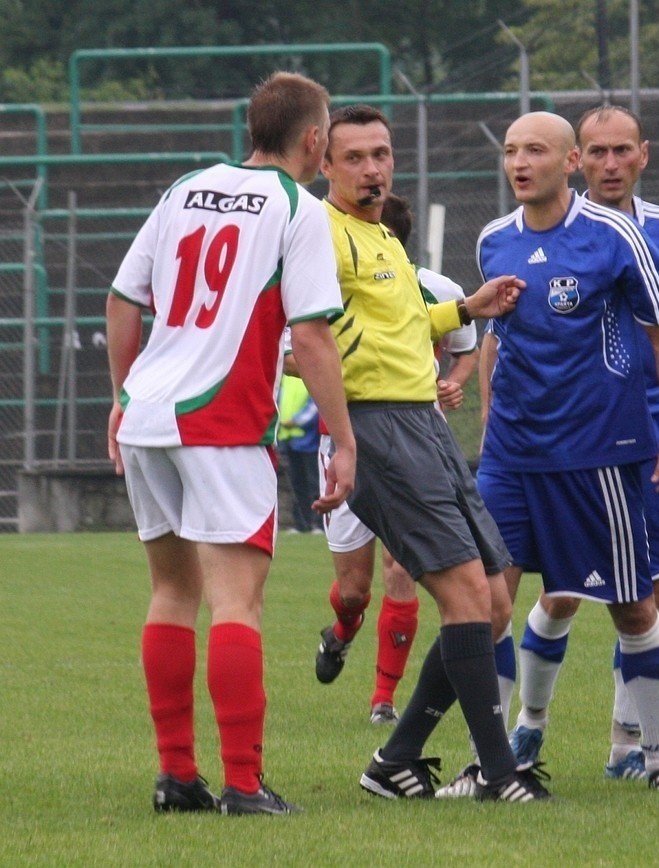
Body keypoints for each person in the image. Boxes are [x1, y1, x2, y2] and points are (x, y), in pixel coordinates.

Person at [105, 71, 356, 816]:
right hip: (220, 423)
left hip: (149, 413)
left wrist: (123, 399)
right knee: (236, 602)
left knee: (171, 593)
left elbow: (122, 301)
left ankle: (177, 776)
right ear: (315, 140)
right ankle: (244, 784)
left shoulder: (185, 187)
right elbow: (310, 336)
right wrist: (342, 440)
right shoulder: (298, 209)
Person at [319, 103, 549, 802]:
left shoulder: (380, 237)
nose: (372, 169)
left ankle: (395, 760)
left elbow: (408, 322)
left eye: (380, 154)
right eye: (354, 158)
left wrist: (469, 308)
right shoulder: (318, 239)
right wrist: (346, 432)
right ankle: (500, 775)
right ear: (323, 164)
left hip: (423, 422)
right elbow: (297, 345)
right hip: (381, 428)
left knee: (495, 601)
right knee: (465, 597)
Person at [498, 105, 659, 783]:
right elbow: (500, 337)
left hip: (655, 427)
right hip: (578, 436)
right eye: (596, 151)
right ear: (577, 160)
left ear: (643, 155)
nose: (609, 164)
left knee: (646, 593)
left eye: (621, 150)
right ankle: (525, 731)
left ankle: (630, 748)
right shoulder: (531, 234)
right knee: (562, 591)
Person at [312, 192, 480, 726]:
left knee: (402, 569)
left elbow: (465, 345)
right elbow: (296, 357)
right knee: (355, 590)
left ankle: (382, 699)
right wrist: (344, 372)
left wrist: (451, 382)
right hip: (345, 441)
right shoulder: (326, 287)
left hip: (416, 440)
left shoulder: (437, 289)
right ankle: (340, 631)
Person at [277, 374, 324, 534]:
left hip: (309, 439)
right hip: (289, 438)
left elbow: (315, 404)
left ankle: (319, 523)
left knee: (314, 483)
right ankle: (301, 524)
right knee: (297, 485)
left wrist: (296, 421)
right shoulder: (286, 378)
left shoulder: (307, 374)